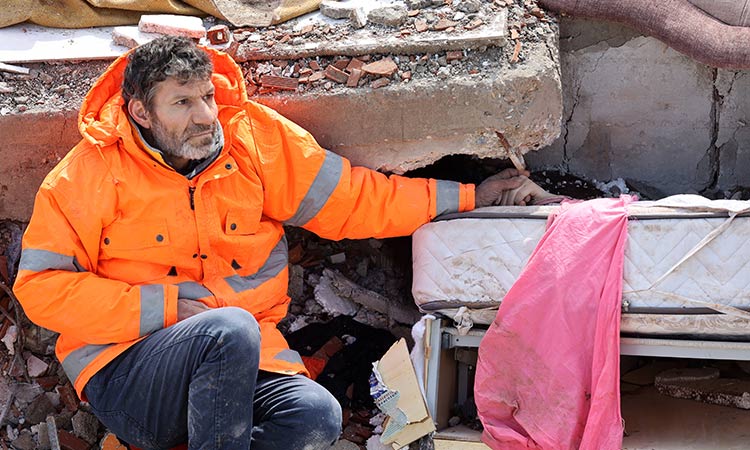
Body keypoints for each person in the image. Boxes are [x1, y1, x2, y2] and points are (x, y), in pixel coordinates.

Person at [13, 36, 554, 450]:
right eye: (182, 103)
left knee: (316, 418)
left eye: (207, 96)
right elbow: (41, 290)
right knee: (228, 327)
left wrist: (469, 196)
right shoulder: (84, 175)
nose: (205, 116)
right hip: (130, 377)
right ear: (140, 113)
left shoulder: (250, 139)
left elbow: (354, 200)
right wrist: (164, 308)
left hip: (243, 364)